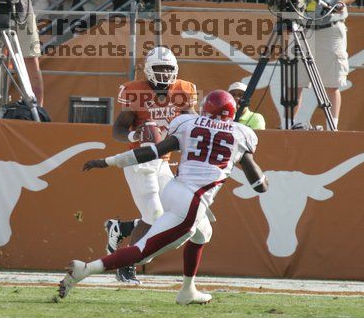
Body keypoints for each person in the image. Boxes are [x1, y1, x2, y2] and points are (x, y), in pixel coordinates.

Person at [58, 89, 268, 304]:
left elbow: (153, 151)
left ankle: (188, 290)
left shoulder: (188, 123)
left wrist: (109, 161)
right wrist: (259, 176)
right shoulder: (242, 133)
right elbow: (259, 185)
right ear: (232, 113)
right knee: (142, 252)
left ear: (204, 109)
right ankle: (85, 269)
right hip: (191, 203)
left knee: (203, 233)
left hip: (173, 189)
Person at [104, 46, 198, 284]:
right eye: (159, 68)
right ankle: (125, 265)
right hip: (140, 161)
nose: (165, 73)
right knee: (155, 215)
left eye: (168, 68)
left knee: (173, 214)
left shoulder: (184, 90)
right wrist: (136, 136)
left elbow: (192, 124)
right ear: (148, 69)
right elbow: (118, 130)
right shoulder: (135, 90)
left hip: (164, 161)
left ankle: (124, 228)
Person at [295, 0, 362, 131]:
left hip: (330, 27)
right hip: (301, 26)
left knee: (332, 84)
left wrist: (340, 2)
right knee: (294, 82)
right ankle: (288, 126)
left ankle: (332, 128)